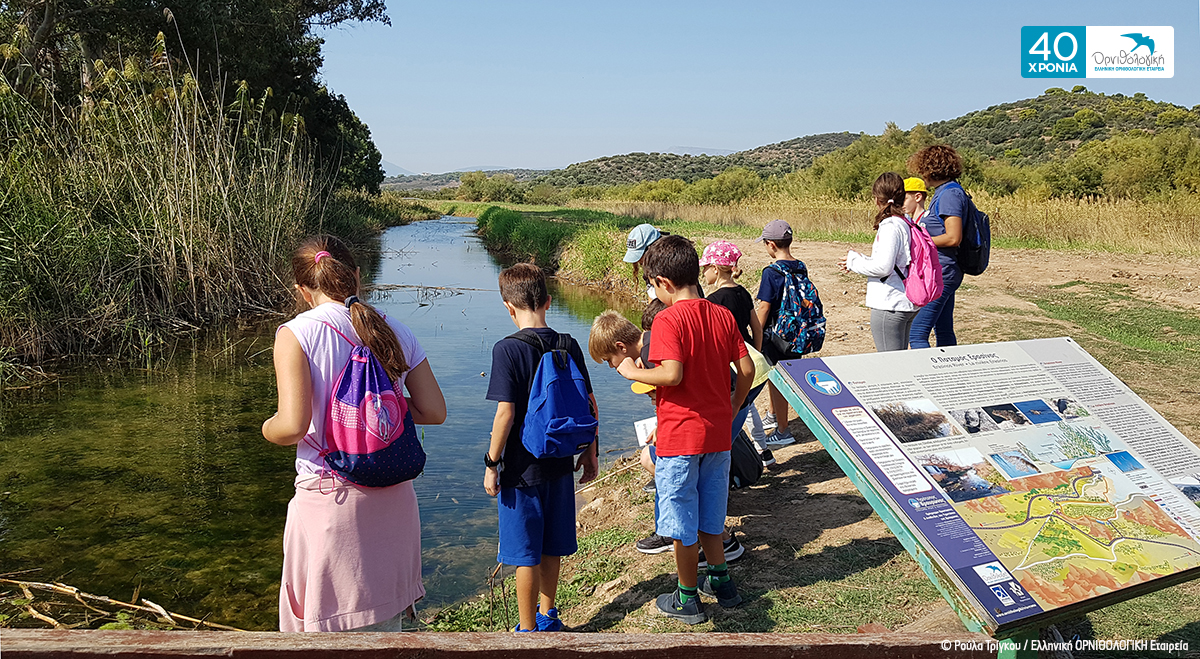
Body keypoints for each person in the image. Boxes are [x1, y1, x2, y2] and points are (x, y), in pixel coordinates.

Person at [263, 235, 447, 632]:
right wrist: (378, 418)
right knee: (388, 631)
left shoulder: (296, 334)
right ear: (357, 277)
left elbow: (291, 425)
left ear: (301, 290)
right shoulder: (394, 329)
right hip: (396, 500)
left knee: (328, 635)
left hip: (332, 501)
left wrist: (266, 428)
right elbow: (434, 411)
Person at [616, 234, 755, 624]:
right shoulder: (722, 314)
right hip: (716, 433)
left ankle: (686, 597)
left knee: (680, 523)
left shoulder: (667, 319)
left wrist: (631, 370)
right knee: (712, 515)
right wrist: (732, 405)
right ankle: (722, 583)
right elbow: (745, 369)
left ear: (662, 282)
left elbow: (672, 373)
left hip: (680, 437)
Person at [484, 263, 600, 632]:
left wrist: (491, 463)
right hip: (561, 462)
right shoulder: (568, 343)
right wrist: (590, 451)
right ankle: (549, 616)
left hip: (521, 470)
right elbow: (590, 405)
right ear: (548, 301)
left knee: (524, 555)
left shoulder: (507, 350)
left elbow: (505, 415)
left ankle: (527, 628)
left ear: (508, 306)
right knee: (552, 547)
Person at [587, 309, 748, 563]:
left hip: (704, 423)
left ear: (621, 347)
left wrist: (633, 373)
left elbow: (672, 380)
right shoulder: (653, 336)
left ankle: (714, 546)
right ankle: (713, 546)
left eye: (610, 359)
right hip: (720, 407)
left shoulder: (649, 350)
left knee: (688, 490)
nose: (612, 366)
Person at [699, 240, 772, 464]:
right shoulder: (742, 292)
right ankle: (763, 450)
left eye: (705, 268)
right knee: (747, 407)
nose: (702, 274)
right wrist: (756, 351)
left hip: (731, 362)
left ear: (714, 268)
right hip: (750, 356)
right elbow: (756, 327)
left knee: (738, 407)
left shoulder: (713, 301)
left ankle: (734, 458)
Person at [838, 173, 918, 352]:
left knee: (890, 365)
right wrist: (861, 259)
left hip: (890, 303)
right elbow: (897, 262)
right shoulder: (906, 222)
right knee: (899, 361)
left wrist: (854, 263)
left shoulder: (890, 226)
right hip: (905, 301)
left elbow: (883, 267)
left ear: (877, 199)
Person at [907, 145, 972, 349]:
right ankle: (951, 374)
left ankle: (929, 378)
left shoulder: (949, 195)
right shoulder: (946, 191)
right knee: (943, 330)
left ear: (930, 168)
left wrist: (920, 243)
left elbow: (953, 237)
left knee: (916, 333)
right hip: (944, 270)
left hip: (942, 271)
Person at [754, 220, 803, 448]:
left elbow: (764, 307)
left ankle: (783, 431)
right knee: (782, 376)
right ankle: (774, 415)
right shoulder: (800, 266)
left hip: (776, 335)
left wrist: (757, 336)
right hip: (797, 333)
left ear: (771, 245)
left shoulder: (771, 272)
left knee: (778, 380)